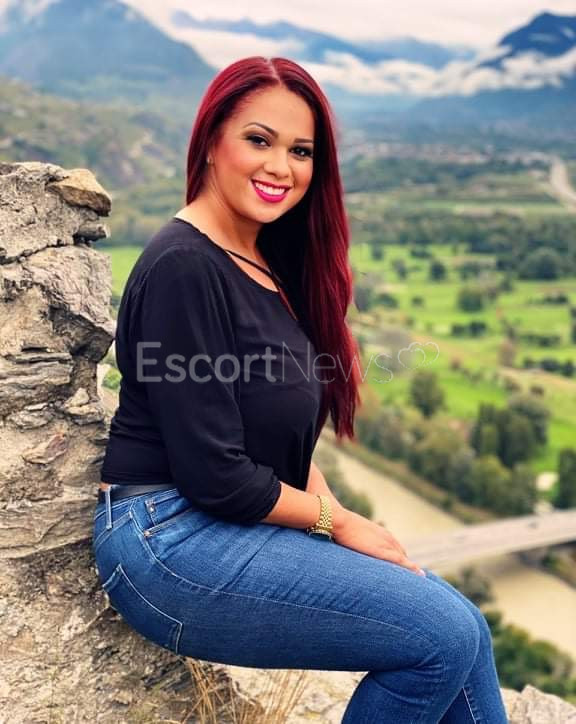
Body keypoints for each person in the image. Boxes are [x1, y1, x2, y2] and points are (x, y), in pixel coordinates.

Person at [92, 56, 508, 722]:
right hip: (165, 541)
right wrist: (338, 523)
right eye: (259, 140)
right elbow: (217, 476)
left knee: (466, 630)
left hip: (214, 524)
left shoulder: (262, 265)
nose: (281, 166)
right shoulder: (184, 266)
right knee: (442, 636)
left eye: (301, 150)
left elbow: (275, 441)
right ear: (211, 142)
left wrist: (342, 518)